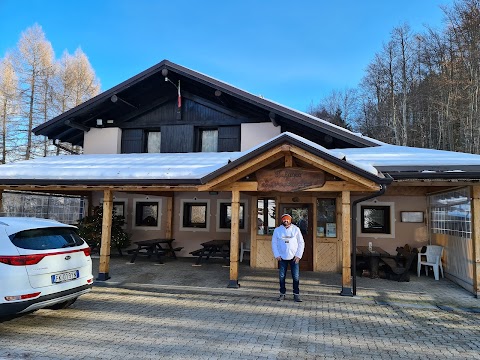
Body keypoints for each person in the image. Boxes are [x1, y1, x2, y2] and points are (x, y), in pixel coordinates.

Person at [271, 213, 305, 302]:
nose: (285, 221)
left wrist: (298, 255)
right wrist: (277, 255)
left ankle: (296, 294)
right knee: (282, 276)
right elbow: (274, 243)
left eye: (287, 219)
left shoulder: (296, 229)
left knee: (296, 276)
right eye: (284, 219)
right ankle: (282, 294)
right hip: (282, 257)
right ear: (282, 220)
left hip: (294, 257)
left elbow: (301, 243)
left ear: (290, 220)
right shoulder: (277, 230)